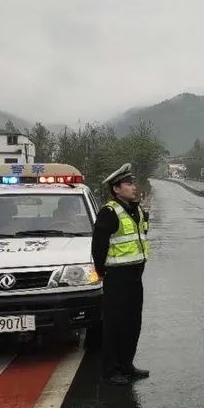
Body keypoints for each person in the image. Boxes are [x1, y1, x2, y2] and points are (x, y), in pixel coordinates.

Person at [91, 163, 151, 385]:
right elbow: (98, 247)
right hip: (116, 277)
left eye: (133, 183)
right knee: (114, 324)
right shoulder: (109, 212)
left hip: (135, 276)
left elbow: (141, 238)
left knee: (133, 323)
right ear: (116, 189)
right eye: (128, 184)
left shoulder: (136, 210)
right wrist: (101, 272)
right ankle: (111, 370)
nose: (133, 187)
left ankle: (127, 365)